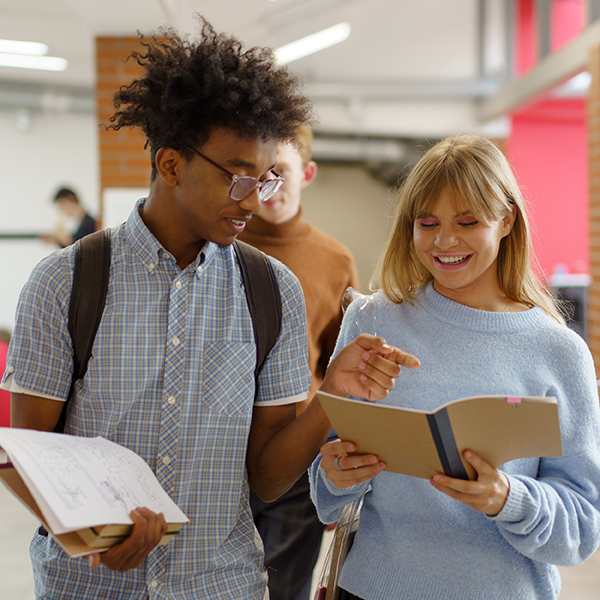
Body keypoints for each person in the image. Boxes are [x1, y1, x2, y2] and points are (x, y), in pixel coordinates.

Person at [1, 19, 417, 600]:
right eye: (239, 178)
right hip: (85, 587)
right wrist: (92, 536)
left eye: (270, 178)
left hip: (221, 585)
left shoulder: (273, 291)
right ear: (172, 165)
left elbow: (269, 478)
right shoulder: (66, 281)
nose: (258, 200)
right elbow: (24, 456)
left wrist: (334, 399)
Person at [309, 134, 600, 600]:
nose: (445, 241)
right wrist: (335, 474)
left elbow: (581, 530)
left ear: (506, 221)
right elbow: (325, 491)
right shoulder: (372, 320)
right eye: (427, 223)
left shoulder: (559, 352)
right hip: (370, 589)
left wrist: (507, 498)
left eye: (467, 222)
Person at [239, 127, 360, 600]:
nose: (269, 185)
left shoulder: (333, 258)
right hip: (219, 450)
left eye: (281, 172)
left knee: (283, 588)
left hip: (297, 451)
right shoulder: (221, 245)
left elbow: (339, 365)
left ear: (307, 174)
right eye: (258, 174)